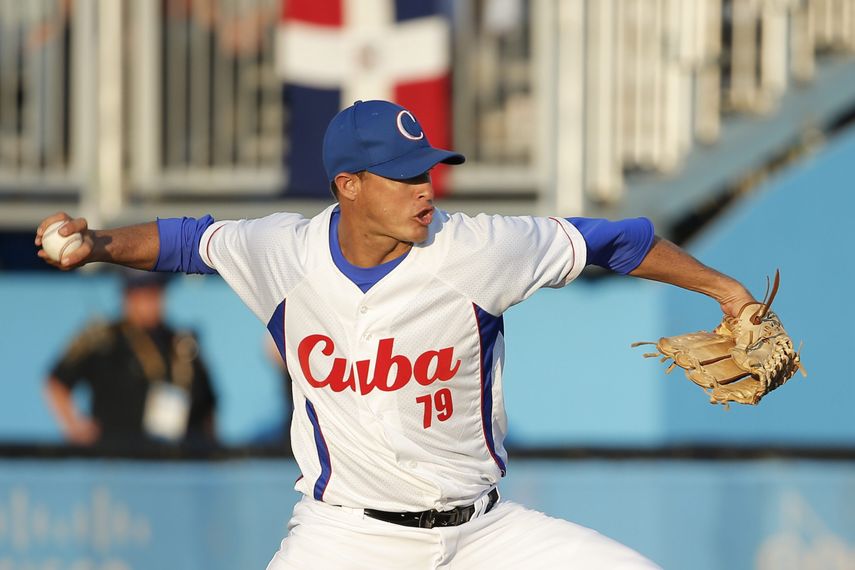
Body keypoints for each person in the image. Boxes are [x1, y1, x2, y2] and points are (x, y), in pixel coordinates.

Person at [36, 100, 757, 568]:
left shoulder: (477, 248)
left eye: (429, 171)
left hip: (484, 536)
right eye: (403, 176)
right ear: (347, 185)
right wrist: (95, 242)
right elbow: (184, 242)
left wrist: (726, 291)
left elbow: (616, 240)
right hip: (346, 537)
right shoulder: (283, 253)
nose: (425, 188)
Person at [43, 270, 218, 448]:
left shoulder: (182, 343)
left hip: (177, 459)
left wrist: (210, 451)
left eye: (157, 291)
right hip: (117, 458)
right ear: (127, 295)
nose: (153, 301)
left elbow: (208, 404)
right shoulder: (104, 340)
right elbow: (57, 382)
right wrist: (76, 428)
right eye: (145, 293)